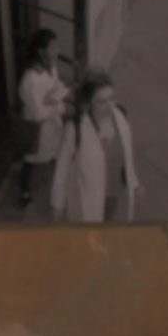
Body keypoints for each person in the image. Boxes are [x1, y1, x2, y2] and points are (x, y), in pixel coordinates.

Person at [50, 70, 141, 223]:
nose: (110, 106)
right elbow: (63, 166)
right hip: (88, 196)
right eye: (101, 101)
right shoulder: (76, 128)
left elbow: (126, 156)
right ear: (89, 102)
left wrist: (134, 182)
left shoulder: (122, 118)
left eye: (112, 98)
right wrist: (58, 203)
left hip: (114, 193)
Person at [16, 27, 70, 208]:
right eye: (53, 48)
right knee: (31, 159)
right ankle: (24, 193)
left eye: (57, 47)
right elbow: (38, 113)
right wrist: (57, 106)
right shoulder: (31, 79)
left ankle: (57, 186)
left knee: (55, 152)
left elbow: (55, 85)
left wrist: (62, 90)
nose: (57, 51)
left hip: (52, 123)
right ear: (41, 51)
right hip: (37, 127)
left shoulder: (50, 66)